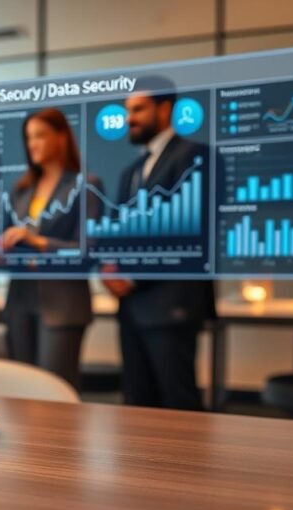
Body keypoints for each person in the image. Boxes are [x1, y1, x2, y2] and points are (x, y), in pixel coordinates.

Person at [103, 79, 216, 410]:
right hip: (132, 309)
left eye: (138, 109)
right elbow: (122, 230)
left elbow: (192, 233)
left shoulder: (195, 157)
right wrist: (110, 268)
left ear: (165, 109)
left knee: (178, 405)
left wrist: (133, 275)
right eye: (127, 111)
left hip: (172, 305)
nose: (129, 118)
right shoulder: (131, 171)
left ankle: (187, 466)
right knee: (137, 404)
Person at [0, 108, 96, 390]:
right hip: (19, 299)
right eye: (29, 138)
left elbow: (86, 251)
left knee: (55, 392)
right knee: (21, 391)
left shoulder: (85, 186)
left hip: (62, 303)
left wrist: (37, 241)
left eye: (40, 135)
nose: (33, 144)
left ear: (62, 137)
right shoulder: (20, 191)